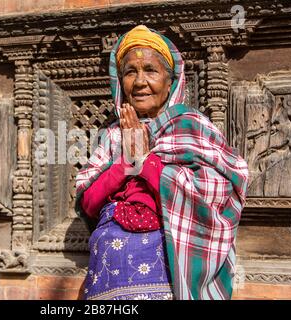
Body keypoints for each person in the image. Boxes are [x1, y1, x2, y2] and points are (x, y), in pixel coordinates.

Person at [75, 25, 248, 300]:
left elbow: (211, 201)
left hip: (166, 280)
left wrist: (147, 162)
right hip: (107, 277)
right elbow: (89, 203)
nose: (140, 81)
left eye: (150, 70)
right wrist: (125, 164)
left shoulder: (192, 128)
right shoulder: (111, 136)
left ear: (171, 82)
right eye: (130, 71)